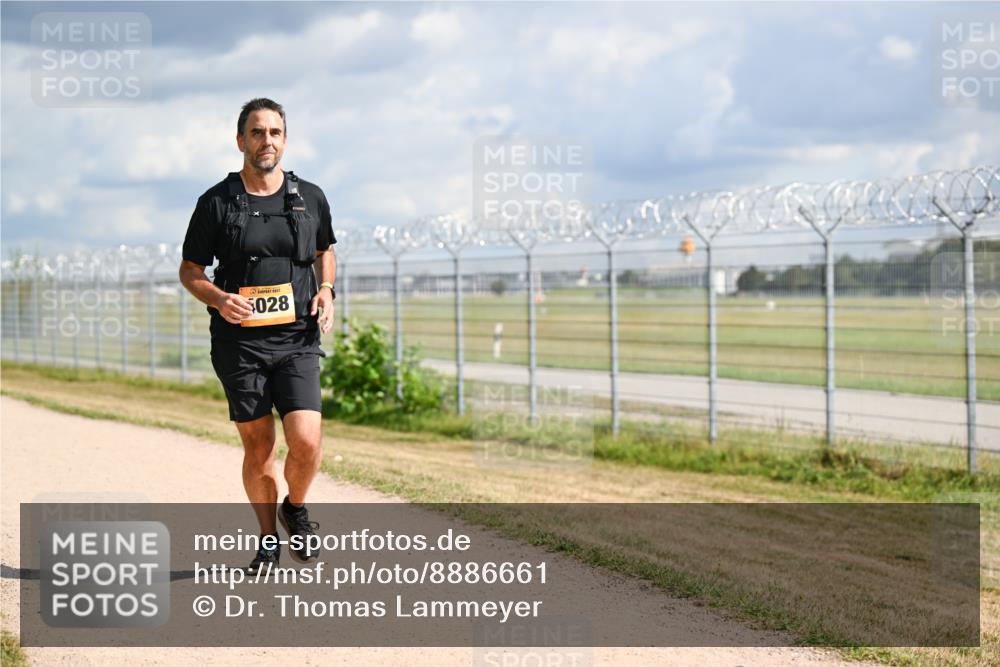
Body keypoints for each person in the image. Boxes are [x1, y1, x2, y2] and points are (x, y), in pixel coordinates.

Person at [179, 98, 336, 573]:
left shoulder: (309, 196)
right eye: (256, 132)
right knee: (260, 446)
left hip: (297, 338)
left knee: (306, 440)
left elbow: (326, 249)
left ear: (284, 140)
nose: (266, 140)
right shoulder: (216, 202)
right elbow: (190, 271)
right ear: (241, 140)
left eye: (274, 132)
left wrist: (327, 289)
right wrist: (218, 299)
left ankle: (296, 508)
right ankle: (269, 537)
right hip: (239, 343)